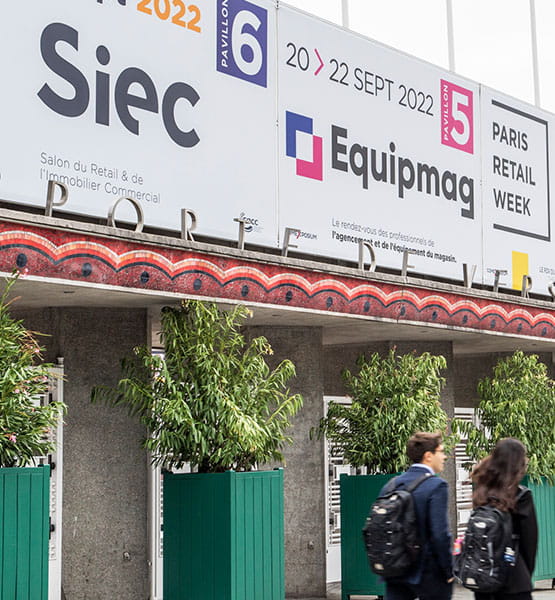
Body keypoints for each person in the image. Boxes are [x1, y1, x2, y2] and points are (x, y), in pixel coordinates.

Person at [383, 431, 454, 600]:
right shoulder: (436, 486)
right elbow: (440, 535)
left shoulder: (392, 484)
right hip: (427, 572)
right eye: (441, 452)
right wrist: (448, 569)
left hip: (395, 568)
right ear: (428, 456)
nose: (444, 457)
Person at [471, 438, 538, 600]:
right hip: (514, 581)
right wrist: (524, 573)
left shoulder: (481, 491)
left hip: (484, 578)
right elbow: (529, 542)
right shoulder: (521, 496)